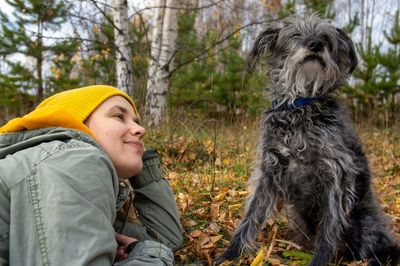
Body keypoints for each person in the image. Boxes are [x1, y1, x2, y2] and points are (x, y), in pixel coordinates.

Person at [0, 85, 183, 265]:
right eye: (119, 116)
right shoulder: (74, 159)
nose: (140, 130)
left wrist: (141, 167)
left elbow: (164, 240)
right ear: (74, 122)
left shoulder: (57, 167)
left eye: (137, 122)